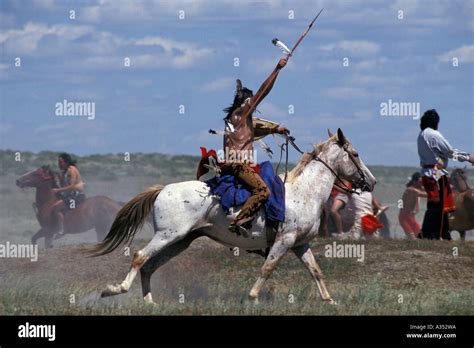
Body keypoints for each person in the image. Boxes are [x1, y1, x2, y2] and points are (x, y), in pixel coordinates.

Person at [222, 58, 290, 235]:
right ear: (246, 102)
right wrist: (277, 69)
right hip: (238, 164)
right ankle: (239, 222)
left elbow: (255, 132)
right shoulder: (240, 114)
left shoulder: (240, 121)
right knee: (263, 190)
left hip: (239, 164)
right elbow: (263, 91)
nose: (254, 104)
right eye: (251, 101)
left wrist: (277, 129)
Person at [417, 109, 474, 240]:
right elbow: (449, 151)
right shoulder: (433, 134)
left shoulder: (422, 135)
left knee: (439, 204)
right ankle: (428, 233)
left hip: (430, 172)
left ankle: (441, 233)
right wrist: (469, 158)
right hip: (435, 173)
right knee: (436, 205)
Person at [50, 153, 85, 236]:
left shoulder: (71, 170)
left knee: (56, 208)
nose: (59, 164)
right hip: (70, 194)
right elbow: (65, 186)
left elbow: (72, 186)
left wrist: (57, 190)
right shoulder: (65, 171)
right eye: (58, 162)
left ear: (66, 162)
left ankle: (62, 230)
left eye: (60, 162)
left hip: (76, 195)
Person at [399, 172, 427, 239]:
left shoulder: (417, 188)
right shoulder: (411, 190)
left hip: (411, 217)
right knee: (412, 238)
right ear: (415, 182)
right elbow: (427, 194)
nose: (422, 184)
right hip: (404, 218)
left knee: (420, 237)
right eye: (420, 182)